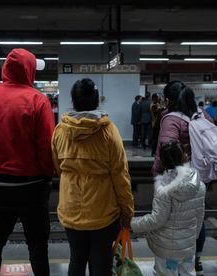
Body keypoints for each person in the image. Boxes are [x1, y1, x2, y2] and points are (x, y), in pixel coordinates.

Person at [0, 48, 54, 276]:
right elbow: (46, 147)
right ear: (29, 70)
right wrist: (47, 174)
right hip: (32, 187)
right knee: (37, 246)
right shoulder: (38, 100)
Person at [52, 78, 134, 276]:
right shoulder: (108, 131)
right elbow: (120, 175)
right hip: (103, 212)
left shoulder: (60, 131)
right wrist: (127, 210)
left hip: (70, 209)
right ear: (97, 101)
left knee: (77, 259)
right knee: (101, 263)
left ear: (73, 101)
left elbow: (58, 168)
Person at [152, 81, 211, 275]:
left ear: (168, 100)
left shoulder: (172, 120)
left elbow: (166, 149)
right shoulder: (202, 115)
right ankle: (195, 259)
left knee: (171, 221)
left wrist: (159, 173)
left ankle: (171, 265)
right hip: (199, 177)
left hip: (176, 179)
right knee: (195, 219)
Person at [132, 140, 205, 276]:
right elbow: (200, 217)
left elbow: (157, 220)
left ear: (162, 162)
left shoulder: (163, 189)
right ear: (184, 156)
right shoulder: (199, 185)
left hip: (166, 249)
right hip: (188, 247)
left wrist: (133, 224)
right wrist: (191, 240)